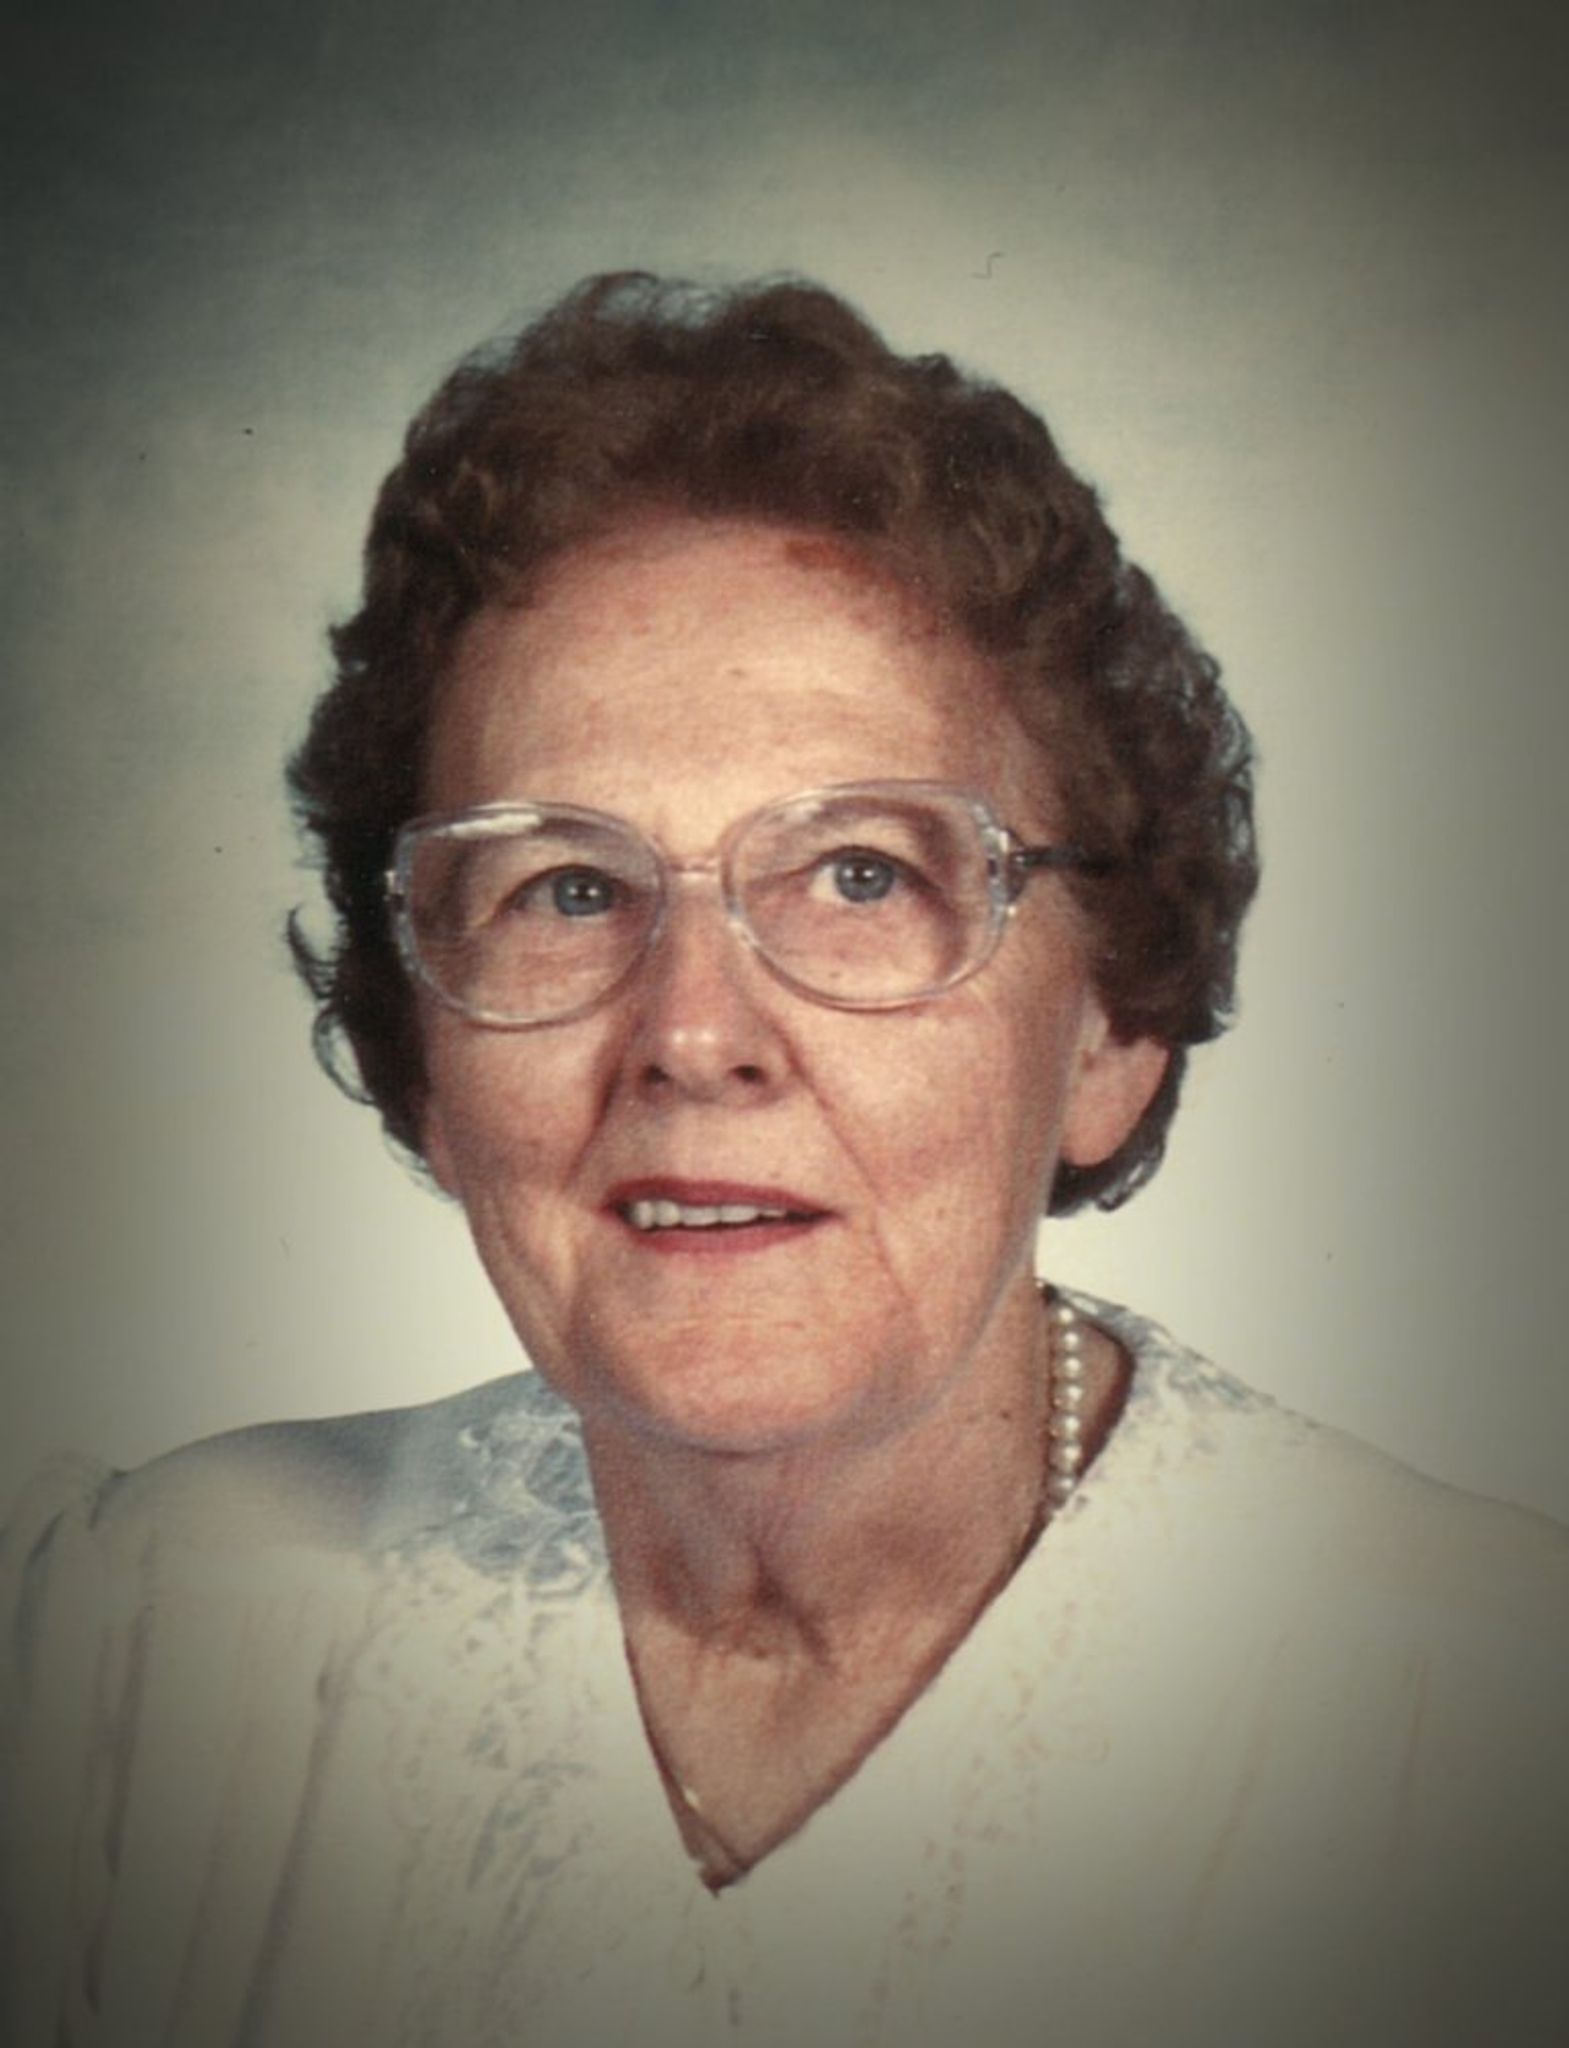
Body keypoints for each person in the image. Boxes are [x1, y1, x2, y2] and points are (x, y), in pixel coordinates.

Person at [2, 273, 1565, 2048]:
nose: (691, 1032)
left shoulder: (1487, 1735)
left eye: (859, 877)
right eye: (564, 889)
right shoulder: (150, 1648)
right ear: (423, 1050)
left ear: (1110, 1034)